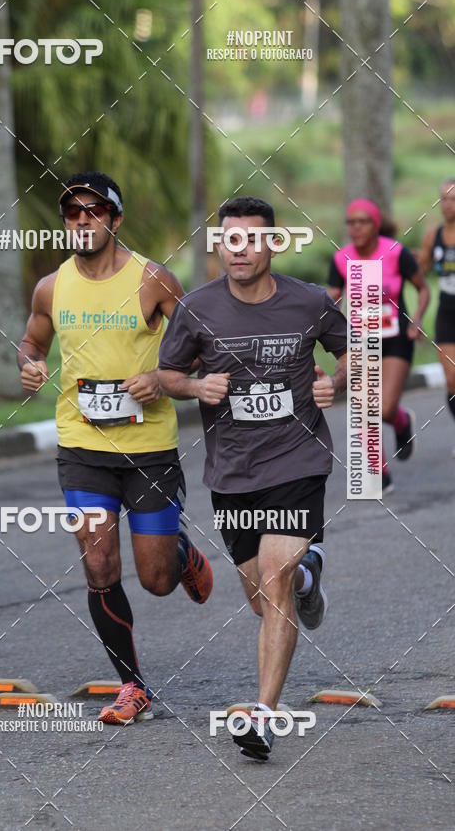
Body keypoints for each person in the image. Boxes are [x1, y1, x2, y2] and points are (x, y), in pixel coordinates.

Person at [18, 171, 213, 726]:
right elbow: (32, 340)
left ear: (115, 219)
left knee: (155, 580)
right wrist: (30, 364)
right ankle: (132, 685)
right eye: (73, 213)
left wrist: (161, 374)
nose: (82, 221)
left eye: (94, 211)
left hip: (149, 447)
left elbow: (203, 347)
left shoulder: (152, 280)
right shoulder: (52, 287)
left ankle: (181, 556)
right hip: (82, 445)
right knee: (99, 563)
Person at [158, 196, 348, 761]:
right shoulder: (196, 310)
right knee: (265, 600)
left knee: (272, 577)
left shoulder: (309, 302)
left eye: (253, 239)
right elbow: (167, 374)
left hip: (297, 460)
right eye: (230, 240)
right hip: (232, 472)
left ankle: (264, 716)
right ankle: (308, 578)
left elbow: (355, 351)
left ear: (273, 243)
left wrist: (334, 381)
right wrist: (195, 388)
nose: (240, 250)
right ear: (220, 246)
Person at [327, 198, 429, 494]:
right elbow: (332, 297)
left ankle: (401, 420)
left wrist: (418, 320)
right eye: (351, 223)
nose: (355, 228)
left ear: (375, 225)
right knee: (363, 409)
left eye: (362, 222)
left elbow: (422, 288)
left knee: (383, 408)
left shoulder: (395, 253)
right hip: (360, 340)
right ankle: (380, 474)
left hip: (396, 337)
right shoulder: (341, 258)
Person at [417, 179, 455, 453]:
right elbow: (419, 273)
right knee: (452, 378)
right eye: (443, 198)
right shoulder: (434, 235)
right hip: (447, 310)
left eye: (452, 199)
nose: (447, 205)